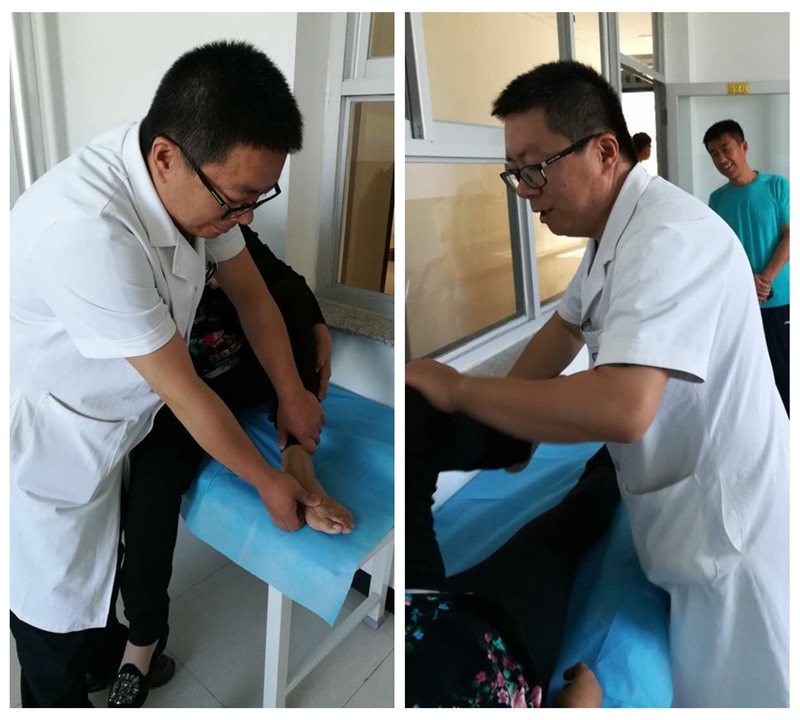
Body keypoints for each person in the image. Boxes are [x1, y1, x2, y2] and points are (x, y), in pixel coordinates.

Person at [406, 61, 788, 708]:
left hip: (732, 536)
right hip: (677, 515)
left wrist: (461, 392)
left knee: (750, 694)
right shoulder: (611, 233)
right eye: (514, 172)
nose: (524, 190)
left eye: (535, 167)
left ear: (605, 152)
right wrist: (507, 432)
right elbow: (563, 330)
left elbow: (623, 406)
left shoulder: (669, 237)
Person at [10, 40, 347, 708]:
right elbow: (187, 393)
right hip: (47, 441)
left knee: (102, 575)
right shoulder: (89, 232)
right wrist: (268, 482)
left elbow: (254, 296)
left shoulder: (195, 179)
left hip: (113, 417)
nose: (246, 217)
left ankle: (107, 659)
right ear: (166, 158)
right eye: (238, 201)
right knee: (51, 612)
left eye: (259, 197)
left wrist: (291, 393)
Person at [405, 387, 617, 708]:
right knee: (575, 521)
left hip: (417, 616)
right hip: (483, 658)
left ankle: (514, 442)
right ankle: (614, 462)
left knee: (415, 409)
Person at [703, 119, 790, 415]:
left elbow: (790, 236)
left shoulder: (777, 186)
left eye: (725, 148)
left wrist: (765, 279)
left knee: (785, 374)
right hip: (740, 302)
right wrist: (747, 281)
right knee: (749, 378)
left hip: (780, 301)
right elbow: (720, 251)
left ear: (743, 146)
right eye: (714, 153)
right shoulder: (717, 200)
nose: (721, 159)